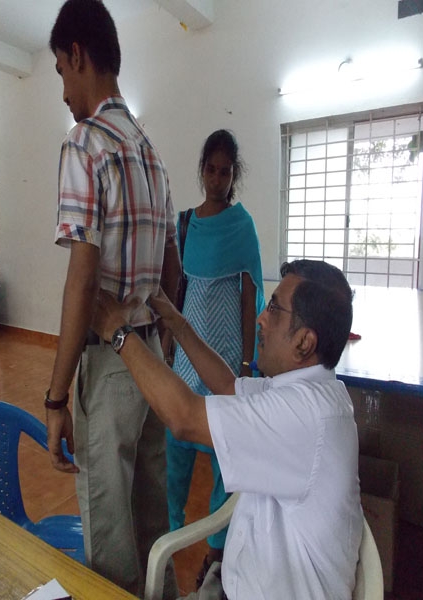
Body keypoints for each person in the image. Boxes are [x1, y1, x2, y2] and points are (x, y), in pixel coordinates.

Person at [93, 259, 363, 600]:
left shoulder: (304, 416)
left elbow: (184, 417)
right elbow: (226, 385)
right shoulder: (307, 392)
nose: (261, 318)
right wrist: (176, 321)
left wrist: (119, 334)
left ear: (304, 342)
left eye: (274, 309)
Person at [44, 1, 180, 597]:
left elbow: (82, 279)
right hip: (150, 361)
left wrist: (56, 397)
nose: (65, 92)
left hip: (109, 362)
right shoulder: (150, 152)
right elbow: (173, 266)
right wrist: (164, 343)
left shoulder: (85, 143)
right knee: (152, 522)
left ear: (78, 55)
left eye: (61, 72)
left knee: (110, 539)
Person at [167, 129, 265, 583]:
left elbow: (249, 295)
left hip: (224, 359)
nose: (217, 179)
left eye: (226, 172)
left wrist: (245, 363)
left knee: (225, 457)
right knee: (176, 447)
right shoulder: (187, 224)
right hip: (186, 356)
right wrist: (170, 348)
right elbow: (178, 289)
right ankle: (170, 532)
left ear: (234, 175)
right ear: (202, 170)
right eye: (211, 169)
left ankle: (217, 548)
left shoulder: (241, 226)